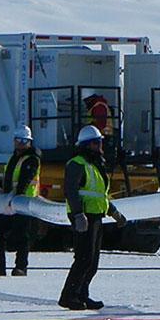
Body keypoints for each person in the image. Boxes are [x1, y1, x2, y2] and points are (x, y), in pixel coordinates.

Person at [59, 125, 126, 310]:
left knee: (92, 261)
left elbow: (99, 194)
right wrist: (78, 214)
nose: (100, 146)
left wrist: (114, 212)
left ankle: (82, 294)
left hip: (96, 216)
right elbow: (71, 191)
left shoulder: (95, 164)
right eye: (97, 143)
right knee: (83, 258)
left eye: (100, 142)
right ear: (88, 145)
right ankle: (68, 296)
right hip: (84, 216)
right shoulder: (77, 163)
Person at [0, 125, 41, 277]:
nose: (21, 143)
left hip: (24, 202)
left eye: (24, 140)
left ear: (29, 142)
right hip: (9, 201)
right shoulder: (14, 158)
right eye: (18, 140)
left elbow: (25, 180)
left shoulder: (32, 159)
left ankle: (21, 267)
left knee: (23, 236)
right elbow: (8, 179)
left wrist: (15, 197)